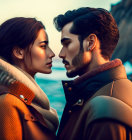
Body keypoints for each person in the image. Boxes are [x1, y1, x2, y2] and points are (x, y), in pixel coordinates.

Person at [53, 7, 132, 140]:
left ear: (90, 43)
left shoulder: (106, 108)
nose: (61, 54)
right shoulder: (99, 93)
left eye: (67, 43)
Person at [0, 17, 59, 140]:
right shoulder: (8, 103)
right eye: (43, 46)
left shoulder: (23, 96)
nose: (52, 54)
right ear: (18, 52)